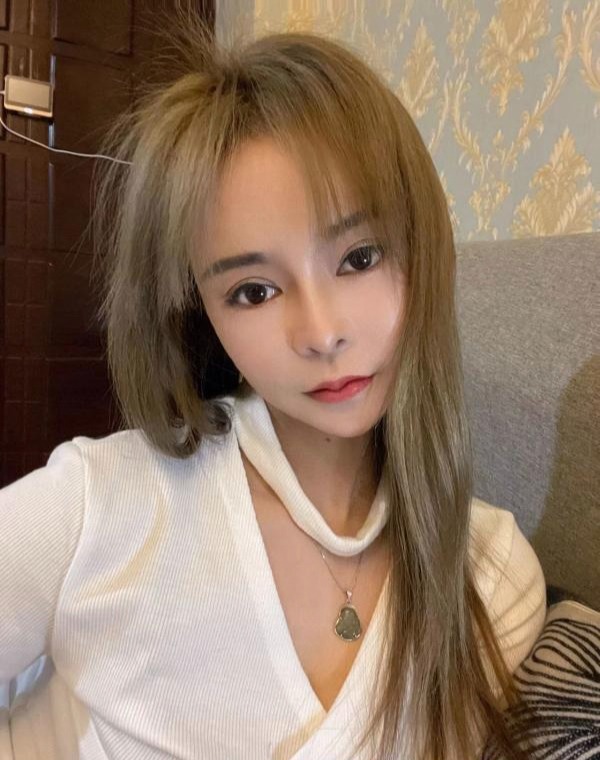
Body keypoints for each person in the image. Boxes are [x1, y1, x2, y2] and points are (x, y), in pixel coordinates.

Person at [0, 8, 547, 760]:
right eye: (253, 291)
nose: (321, 333)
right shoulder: (94, 506)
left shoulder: (493, 578)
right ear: (201, 313)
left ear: (423, 248)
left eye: (358, 258)